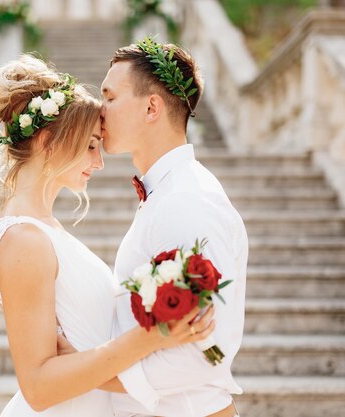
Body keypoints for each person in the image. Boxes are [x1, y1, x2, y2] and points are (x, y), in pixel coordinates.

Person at [0, 54, 215, 416]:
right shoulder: (23, 240)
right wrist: (151, 336)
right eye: (91, 144)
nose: (100, 161)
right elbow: (38, 388)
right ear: (48, 142)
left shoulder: (44, 230)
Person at [98, 39, 249, 417]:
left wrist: (91, 373)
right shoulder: (170, 192)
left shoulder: (188, 201)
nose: (99, 111)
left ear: (151, 107)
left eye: (111, 98)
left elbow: (206, 353)